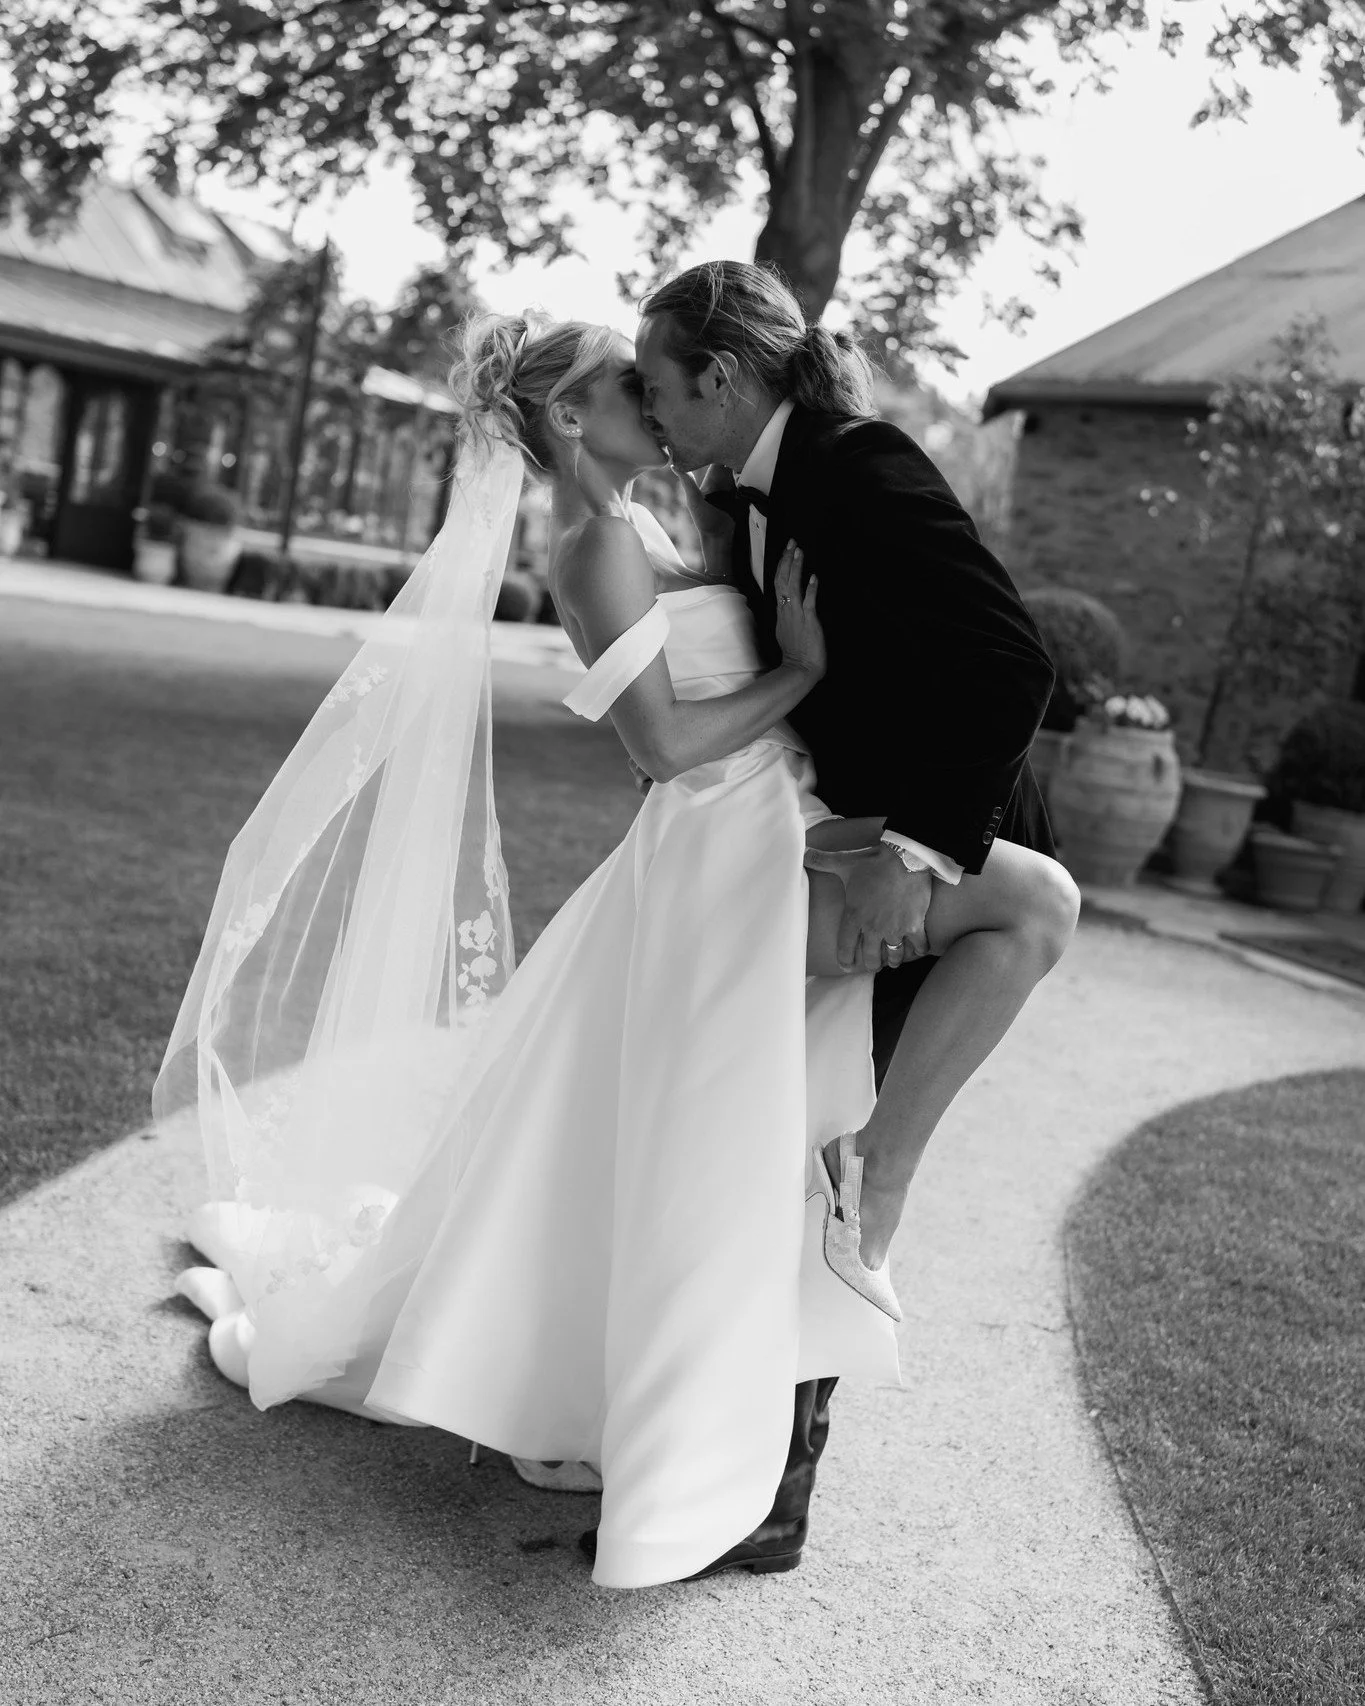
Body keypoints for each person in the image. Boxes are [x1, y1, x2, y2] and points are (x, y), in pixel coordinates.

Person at [163, 301, 1076, 1591]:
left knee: (976, 947)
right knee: (978, 947)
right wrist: (802, 677)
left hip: (804, 820)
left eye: (652, 383)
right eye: (618, 388)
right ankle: (770, 1371)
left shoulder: (709, 509)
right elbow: (661, 749)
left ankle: (833, 1252)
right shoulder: (591, 543)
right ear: (559, 421)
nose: (648, 405)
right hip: (716, 849)